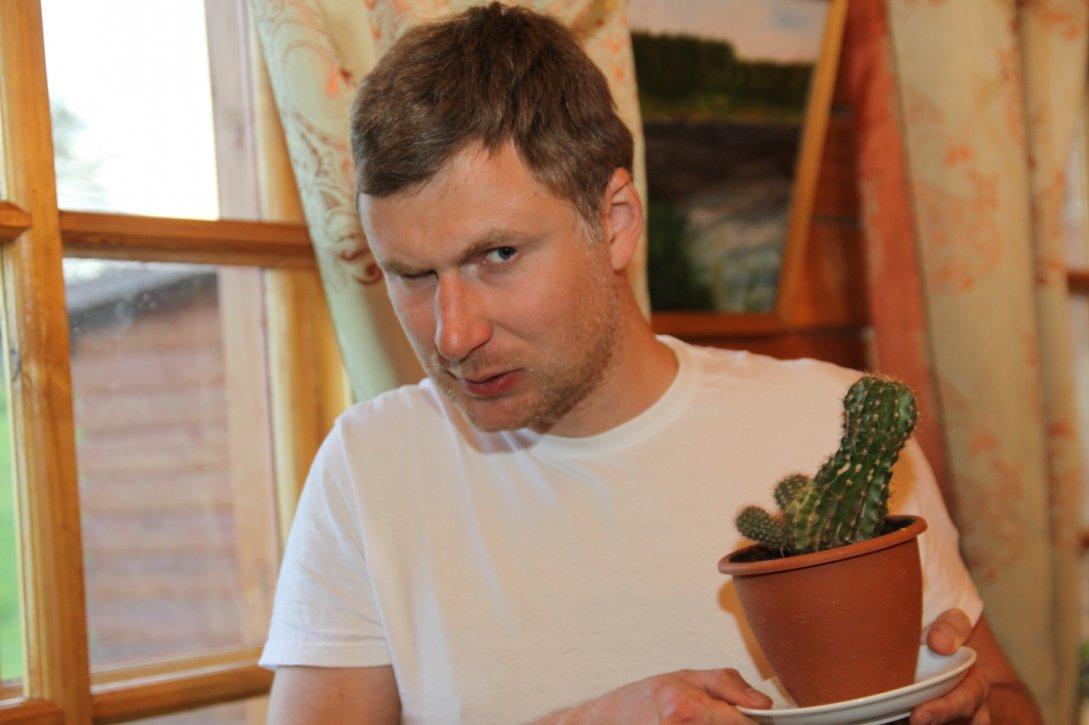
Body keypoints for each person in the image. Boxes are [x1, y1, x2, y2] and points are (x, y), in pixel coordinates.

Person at [260, 4, 1040, 723]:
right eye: (412, 274)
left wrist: (966, 709)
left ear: (616, 221)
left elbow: (1009, 703)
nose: (453, 333)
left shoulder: (831, 423)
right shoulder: (369, 467)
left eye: (497, 255)